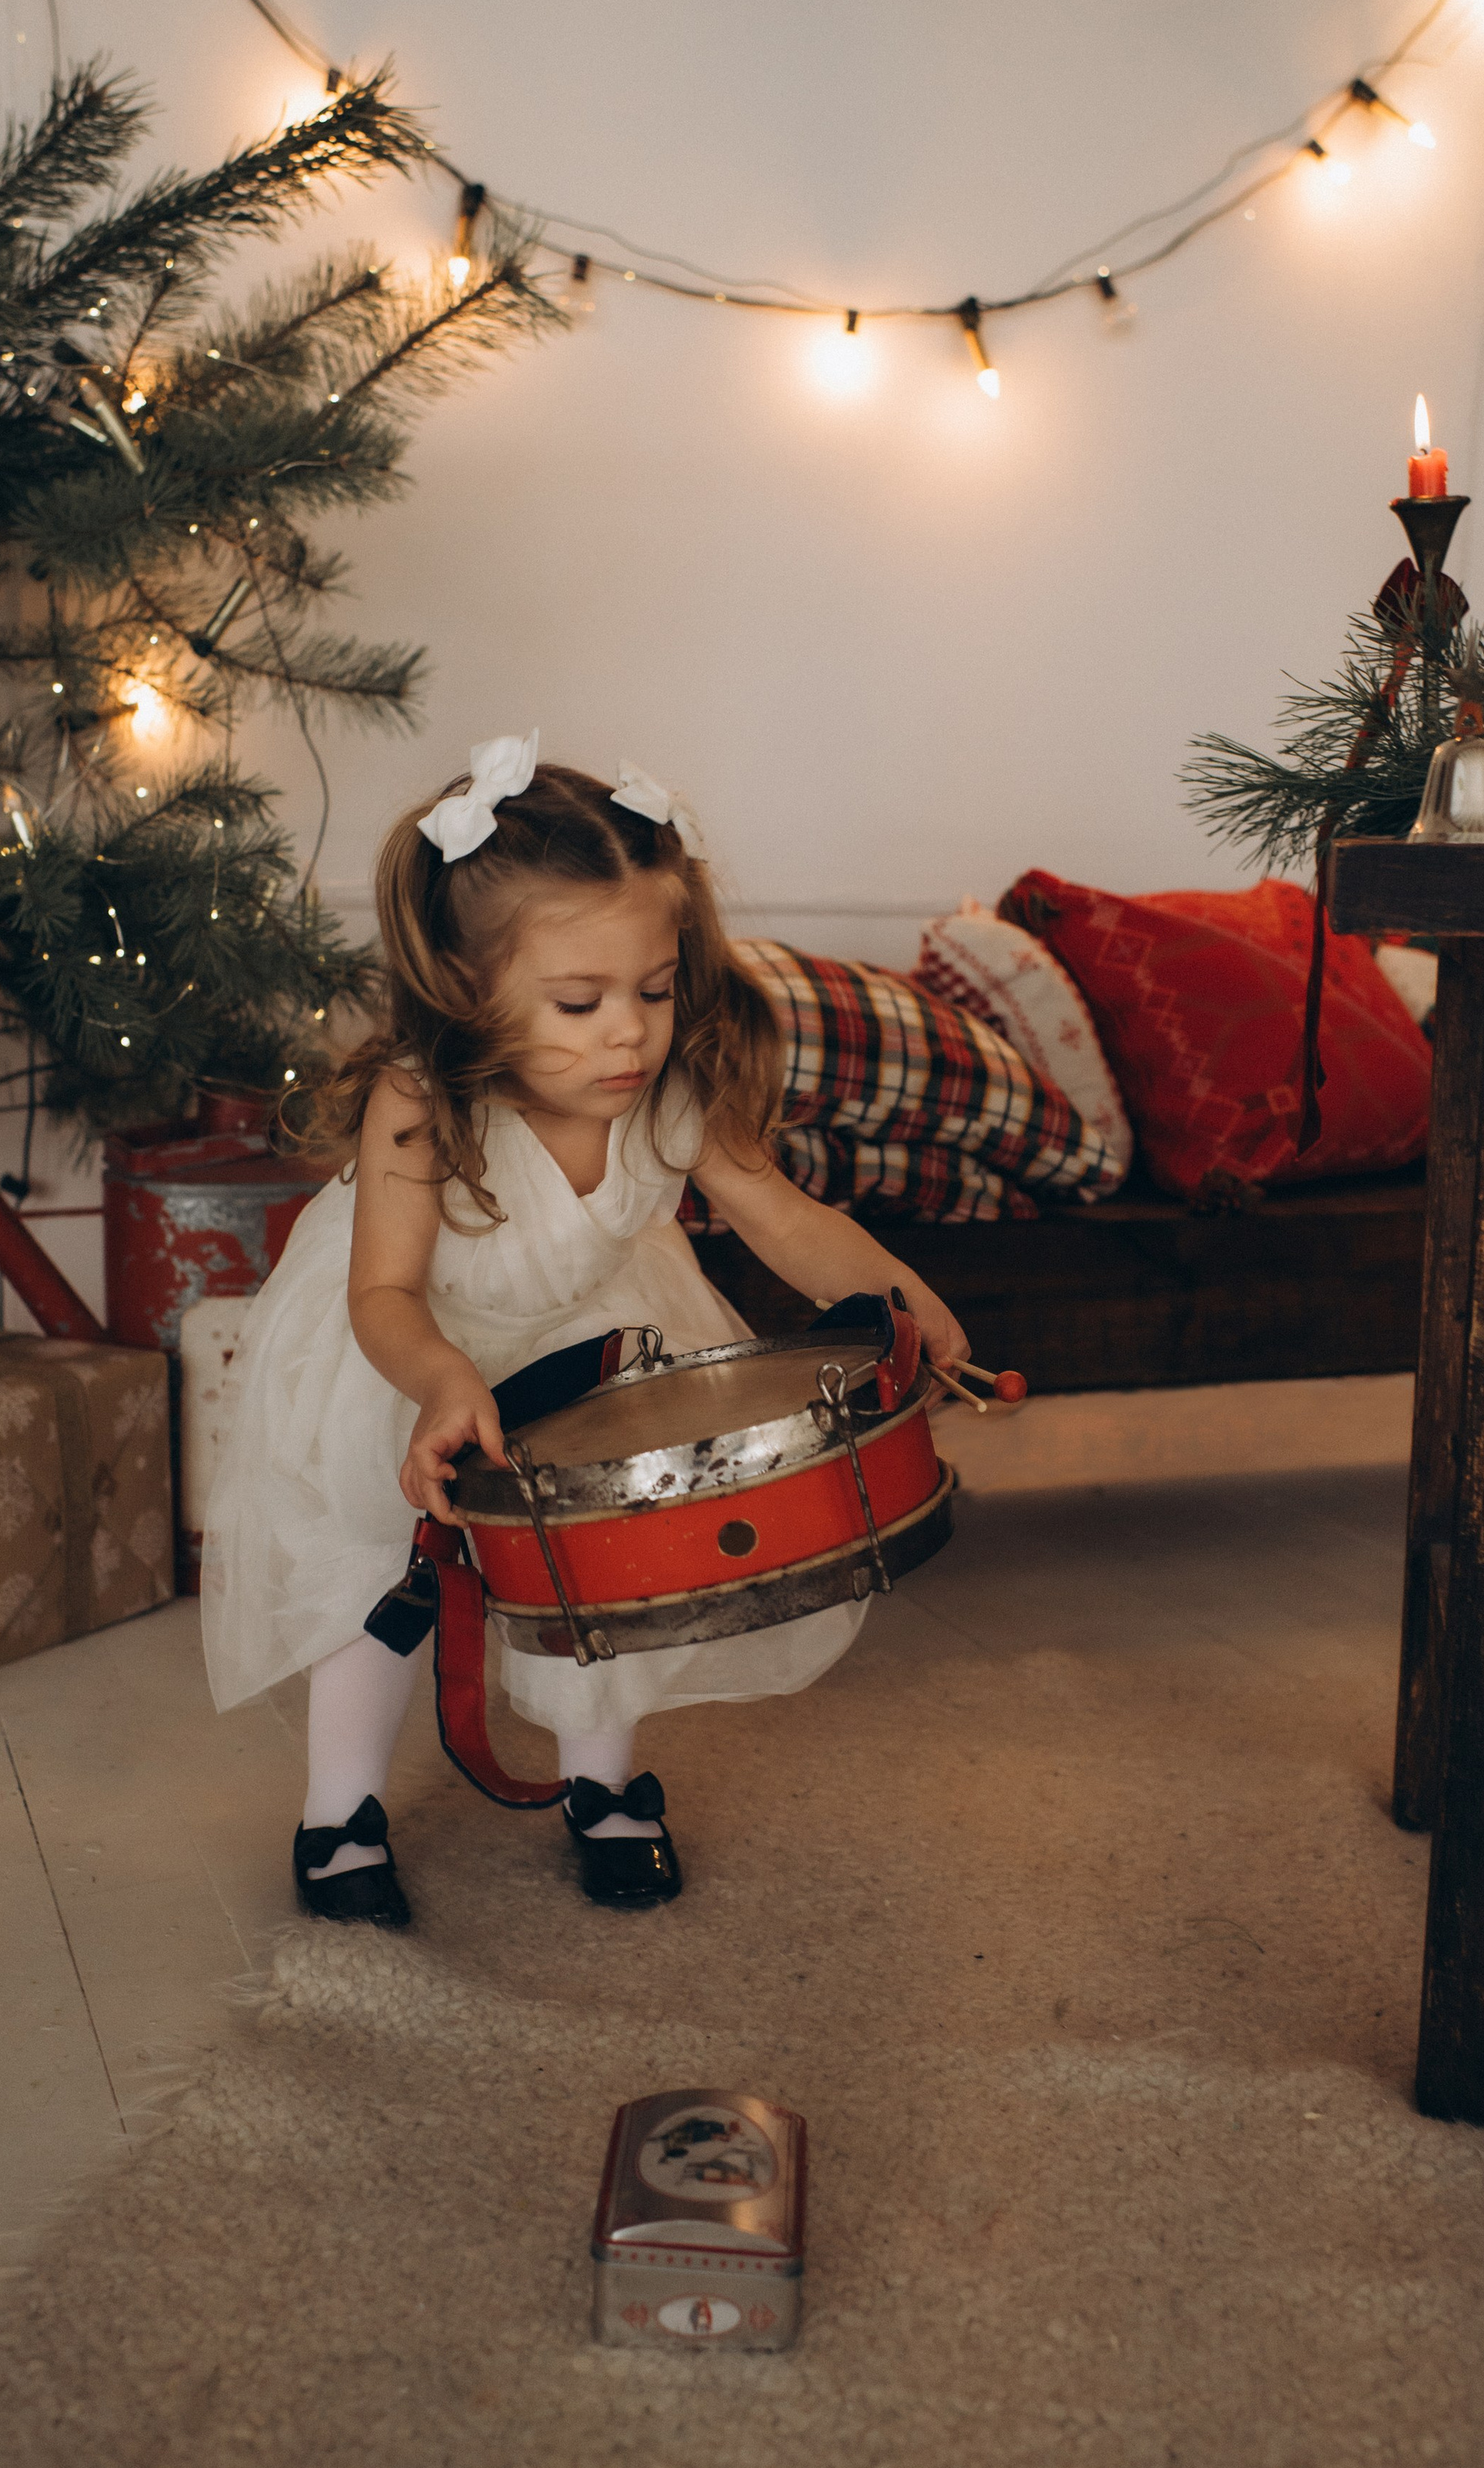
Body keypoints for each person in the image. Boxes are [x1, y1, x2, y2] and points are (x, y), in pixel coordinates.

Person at [200, 735, 968, 1923]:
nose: (629, 1034)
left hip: (594, 1340)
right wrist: (444, 1383)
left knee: (614, 1572)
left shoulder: (672, 1092)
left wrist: (907, 1305)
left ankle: (601, 1789)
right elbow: (383, 1297)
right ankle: (338, 1813)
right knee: (376, 1578)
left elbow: (785, 1218)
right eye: (581, 1001)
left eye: (654, 991)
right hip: (413, 1356)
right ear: (467, 987)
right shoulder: (421, 1102)